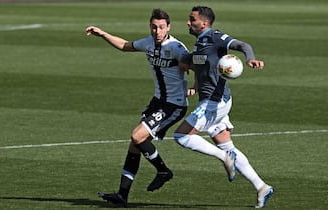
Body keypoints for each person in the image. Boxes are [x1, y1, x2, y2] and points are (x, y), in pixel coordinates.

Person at [86, 8, 235, 208]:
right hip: (157, 102)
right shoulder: (148, 42)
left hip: (173, 105)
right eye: (154, 27)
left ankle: (163, 171)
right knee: (135, 145)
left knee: (137, 136)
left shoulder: (176, 47)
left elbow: (199, 66)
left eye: (161, 27)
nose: (157, 31)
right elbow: (124, 45)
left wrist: (195, 87)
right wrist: (103, 34)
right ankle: (122, 195)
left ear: (168, 28)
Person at [173, 6, 274, 208]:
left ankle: (223, 158)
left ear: (204, 23)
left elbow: (243, 45)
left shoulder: (215, 37)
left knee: (182, 136)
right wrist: (185, 65)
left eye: (191, 19)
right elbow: (197, 61)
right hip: (211, 101)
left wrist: (250, 58)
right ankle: (262, 187)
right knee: (227, 145)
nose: (188, 22)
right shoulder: (200, 43)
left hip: (215, 102)